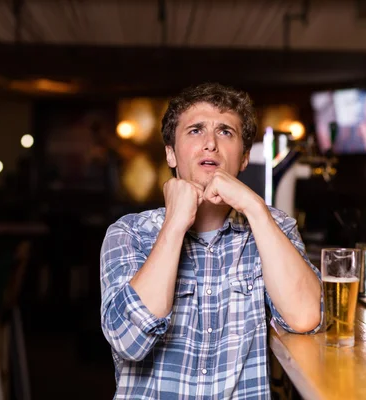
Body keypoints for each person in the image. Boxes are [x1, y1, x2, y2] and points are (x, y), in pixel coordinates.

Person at [100, 83, 323, 399]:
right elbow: (129, 339)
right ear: (170, 153)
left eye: (226, 133)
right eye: (195, 131)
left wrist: (255, 208)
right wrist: (175, 225)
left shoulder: (274, 227)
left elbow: (305, 318)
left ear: (244, 158)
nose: (210, 144)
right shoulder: (129, 233)